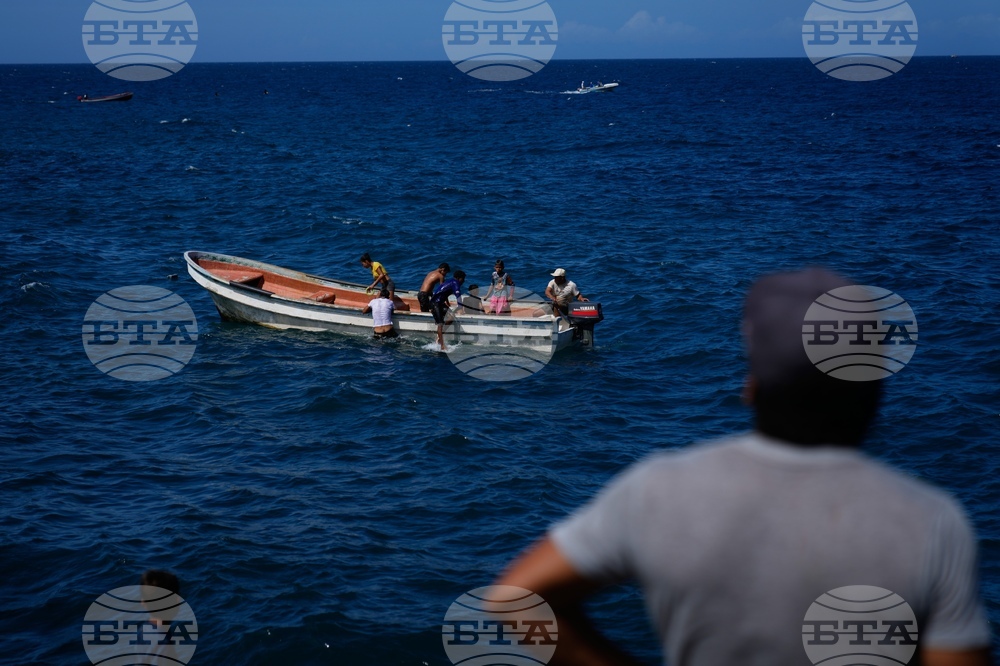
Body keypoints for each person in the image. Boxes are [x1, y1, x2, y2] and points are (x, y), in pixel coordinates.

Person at [495, 268, 992, 666]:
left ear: (752, 385)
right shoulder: (931, 521)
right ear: (873, 390)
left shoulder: (660, 490)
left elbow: (516, 597)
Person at [430, 270, 465, 349]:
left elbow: (443, 292)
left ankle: (439, 337)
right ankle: (442, 345)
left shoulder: (451, 281)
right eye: (463, 279)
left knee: (451, 316)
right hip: (435, 304)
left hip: (440, 303)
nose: (464, 281)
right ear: (459, 278)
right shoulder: (456, 283)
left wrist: (453, 305)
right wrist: (460, 308)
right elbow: (458, 296)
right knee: (440, 324)